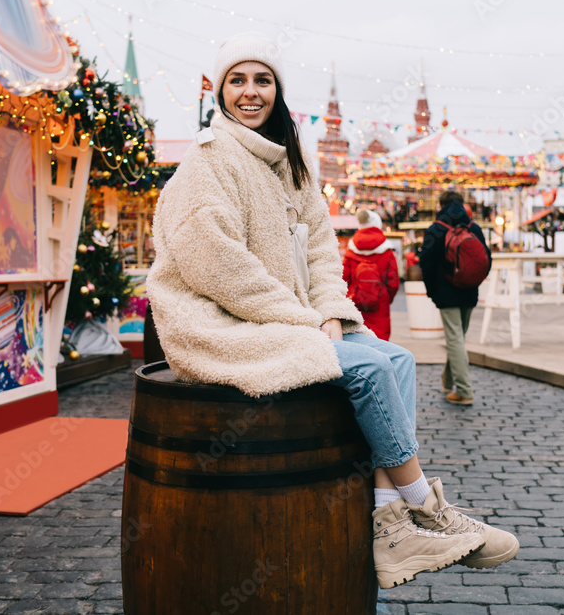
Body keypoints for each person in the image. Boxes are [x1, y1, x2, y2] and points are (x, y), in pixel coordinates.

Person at [147, 32, 518, 589]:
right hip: (220, 323)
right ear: (221, 91)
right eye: (238, 80)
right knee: (366, 370)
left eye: (263, 80)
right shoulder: (209, 159)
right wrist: (303, 322)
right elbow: (216, 265)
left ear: (278, 90)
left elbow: (321, 251)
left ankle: (389, 526)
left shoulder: (291, 163)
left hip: (288, 318)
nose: (251, 92)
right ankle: (423, 505)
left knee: (396, 360)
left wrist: (330, 313)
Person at [419, 191, 491, 406]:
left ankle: (465, 391)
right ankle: (448, 380)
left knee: (455, 339)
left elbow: (426, 265)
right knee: (457, 338)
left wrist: (432, 292)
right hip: (469, 291)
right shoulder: (474, 228)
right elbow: (486, 259)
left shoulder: (436, 229)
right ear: (462, 205)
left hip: (446, 292)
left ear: (441, 205)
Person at [343, 209, 400, 340]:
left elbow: (344, 279)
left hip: (355, 304)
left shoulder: (351, 250)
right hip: (380, 305)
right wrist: (385, 298)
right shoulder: (386, 251)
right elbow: (393, 282)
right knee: (381, 344)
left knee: (358, 341)